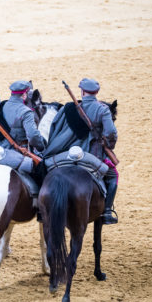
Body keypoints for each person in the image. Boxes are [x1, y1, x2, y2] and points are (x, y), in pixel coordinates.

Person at [44, 78, 119, 224]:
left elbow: (55, 127)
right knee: (113, 175)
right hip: (94, 154)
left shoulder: (68, 108)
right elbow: (111, 132)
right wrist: (107, 143)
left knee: (45, 170)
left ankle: (41, 208)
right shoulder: (102, 109)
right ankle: (107, 211)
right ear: (96, 92)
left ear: (82, 91)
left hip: (65, 152)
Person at [0, 80, 45, 158]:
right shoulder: (26, 112)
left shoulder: (2, 105)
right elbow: (33, 136)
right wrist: (41, 148)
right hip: (17, 152)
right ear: (24, 95)